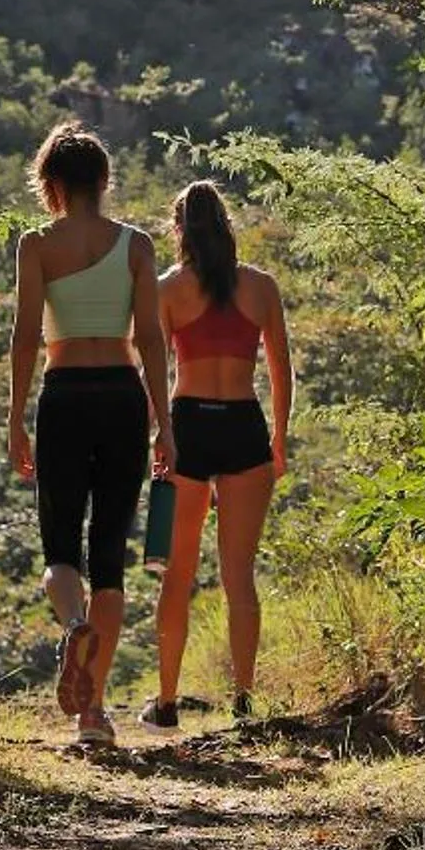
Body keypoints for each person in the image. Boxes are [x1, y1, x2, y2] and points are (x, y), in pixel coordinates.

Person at [7, 123, 173, 745]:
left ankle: (73, 623)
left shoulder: (36, 245)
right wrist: (164, 423)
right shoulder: (136, 245)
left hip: (66, 397)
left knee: (59, 550)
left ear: (50, 184)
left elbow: (26, 337)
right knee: (110, 560)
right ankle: (93, 714)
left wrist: (16, 418)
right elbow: (151, 340)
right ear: (104, 182)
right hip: (124, 399)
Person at [143, 179, 291, 730]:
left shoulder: (166, 290)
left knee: (176, 575)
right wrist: (279, 436)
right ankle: (245, 701)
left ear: (178, 229)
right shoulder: (260, 287)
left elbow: (152, 373)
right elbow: (281, 369)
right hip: (244, 429)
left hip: (188, 429)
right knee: (239, 577)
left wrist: (157, 434)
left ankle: (165, 703)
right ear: (227, 225)